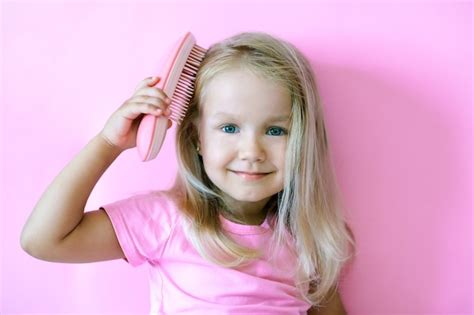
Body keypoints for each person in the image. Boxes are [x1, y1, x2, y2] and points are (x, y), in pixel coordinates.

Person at [20, 31, 356, 314]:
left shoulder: (310, 237)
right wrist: (108, 143)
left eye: (275, 131)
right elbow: (44, 241)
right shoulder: (166, 221)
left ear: (305, 140)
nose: (252, 152)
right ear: (196, 138)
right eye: (229, 127)